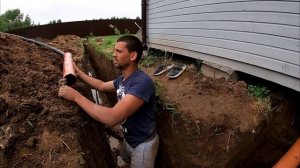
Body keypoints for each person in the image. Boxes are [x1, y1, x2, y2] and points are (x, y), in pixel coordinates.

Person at [58, 35, 159, 168]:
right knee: (125, 158)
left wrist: (76, 96)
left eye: (119, 51)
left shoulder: (141, 83)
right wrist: (79, 73)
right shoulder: (123, 79)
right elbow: (101, 85)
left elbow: (111, 118)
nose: (113, 54)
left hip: (142, 144)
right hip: (129, 139)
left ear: (133, 56)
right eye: (114, 50)